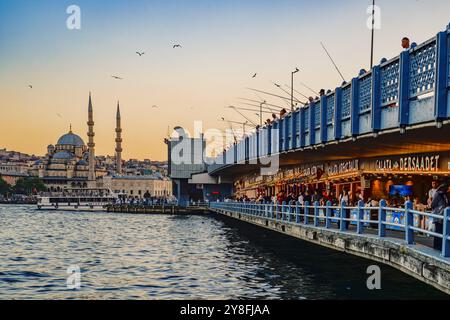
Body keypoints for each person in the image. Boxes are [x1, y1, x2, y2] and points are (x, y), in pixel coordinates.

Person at [431, 183, 449, 251]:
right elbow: (433, 204)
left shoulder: (445, 195)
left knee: (441, 232)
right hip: (438, 215)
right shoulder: (438, 194)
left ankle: (440, 246)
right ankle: (436, 247)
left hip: (443, 215)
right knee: (438, 231)